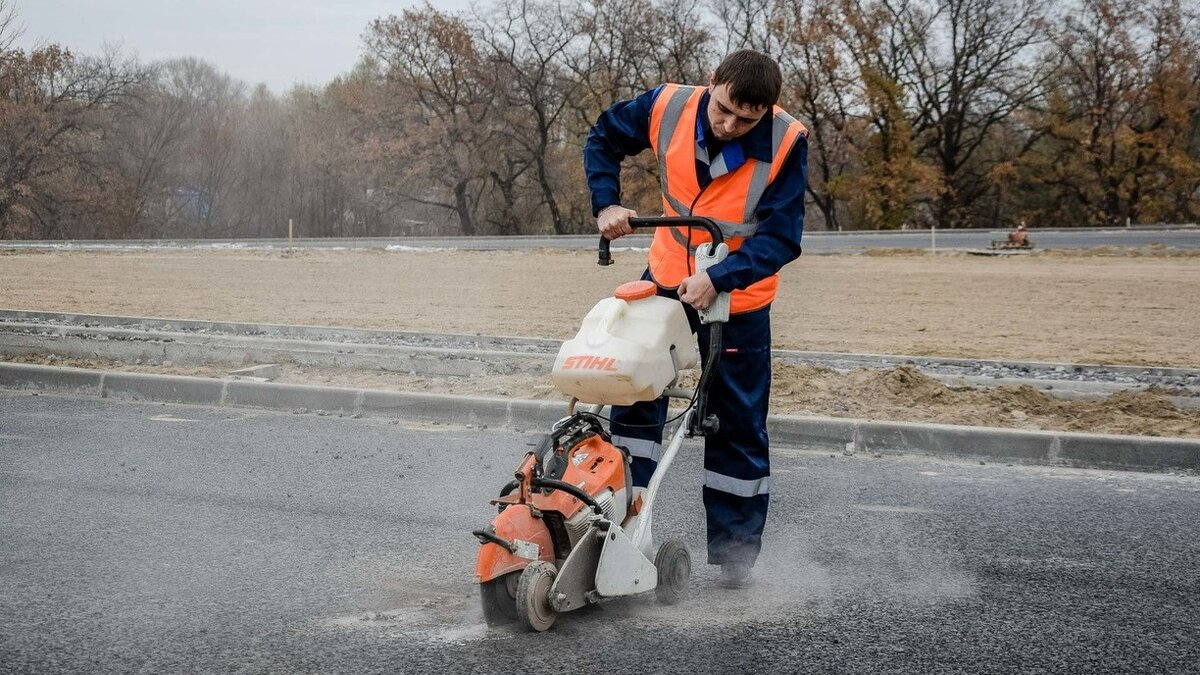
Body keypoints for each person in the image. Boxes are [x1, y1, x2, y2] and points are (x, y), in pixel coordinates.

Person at [583, 49, 809, 589]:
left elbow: (781, 237)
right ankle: (619, 527)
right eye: (725, 110)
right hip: (665, 277)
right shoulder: (669, 106)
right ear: (713, 84)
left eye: (747, 119)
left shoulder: (786, 141)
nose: (731, 126)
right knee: (634, 399)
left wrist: (723, 276)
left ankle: (734, 562)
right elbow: (603, 137)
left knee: (735, 424)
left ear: (767, 111)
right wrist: (606, 203)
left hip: (738, 300)